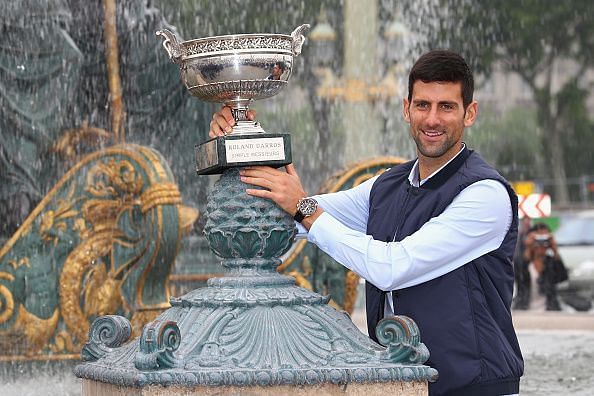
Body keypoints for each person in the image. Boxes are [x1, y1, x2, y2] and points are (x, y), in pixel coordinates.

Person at [209, 50, 523, 396]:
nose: (432, 119)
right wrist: (241, 141)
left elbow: (392, 267)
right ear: (406, 110)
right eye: (422, 105)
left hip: (475, 388)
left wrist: (304, 207)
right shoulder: (386, 185)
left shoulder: (486, 195)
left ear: (470, 113)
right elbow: (286, 219)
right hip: (399, 384)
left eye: (446, 107)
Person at [521, 222, 567, 311]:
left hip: (549, 310)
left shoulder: (551, 262)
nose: (541, 243)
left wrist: (555, 250)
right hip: (526, 310)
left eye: (544, 238)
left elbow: (563, 277)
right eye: (537, 238)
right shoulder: (525, 263)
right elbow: (519, 276)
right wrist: (528, 248)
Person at [512, 216, 532, 309]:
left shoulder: (531, 234)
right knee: (520, 283)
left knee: (527, 283)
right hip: (518, 263)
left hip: (527, 263)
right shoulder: (519, 234)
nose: (527, 224)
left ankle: (525, 301)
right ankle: (521, 300)